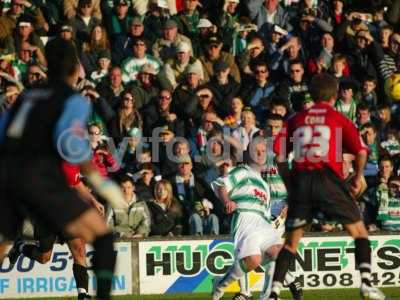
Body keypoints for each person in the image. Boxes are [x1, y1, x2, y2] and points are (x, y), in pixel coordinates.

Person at [0, 39, 124, 300]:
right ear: (74, 67)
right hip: (40, 180)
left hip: (9, 177)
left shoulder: (28, 94)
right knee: (102, 238)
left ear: (48, 64)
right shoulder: (73, 100)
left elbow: (3, 132)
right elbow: (69, 143)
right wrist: (100, 184)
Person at [268, 73, 387, 300]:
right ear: (334, 96)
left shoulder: (296, 118)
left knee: (291, 243)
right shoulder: (337, 118)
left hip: (302, 179)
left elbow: (280, 156)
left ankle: (274, 292)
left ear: (311, 95)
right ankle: (366, 284)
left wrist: (290, 182)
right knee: (359, 232)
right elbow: (362, 151)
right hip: (327, 178)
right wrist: (357, 176)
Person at [211, 138, 301, 300]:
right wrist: (227, 201)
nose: (260, 154)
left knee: (279, 253)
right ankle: (220, 285)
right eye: (256, 151)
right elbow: (221, 185)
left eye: (262, 151)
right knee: (253, 260)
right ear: (248, 154)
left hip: (262, 222)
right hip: (245, 219)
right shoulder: (241, 171)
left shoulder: (265, 185)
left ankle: (269, 295)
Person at [7, 161, 105, 300]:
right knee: (44, 258)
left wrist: (94, 201)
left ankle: (83, 294)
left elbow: (77, 183)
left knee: (80, 249)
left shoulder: (70, 162)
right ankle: (21, 246)